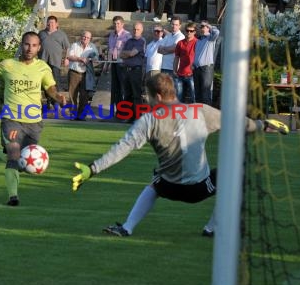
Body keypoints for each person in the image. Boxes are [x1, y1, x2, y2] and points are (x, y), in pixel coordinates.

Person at [70, 73, 288, 237]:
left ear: (157, 96)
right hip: (199, 189)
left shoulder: (149, 119)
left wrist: (93, 168)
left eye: (148, 96)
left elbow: (122, 148)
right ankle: (212, 228)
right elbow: (237, 122)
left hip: (169, 187)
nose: (147, 100)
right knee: (235, 176)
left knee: (155, 182)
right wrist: (263, 124)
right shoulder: (200, 111)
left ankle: (127, 227)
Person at [0, 32, 66, 206]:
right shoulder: (8, 64)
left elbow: (50, 88)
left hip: (34, 123)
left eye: (34, 45)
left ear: (39, 48)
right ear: (22, 44)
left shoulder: (43, 67)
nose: (30, 48)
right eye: (27, 44)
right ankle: (13, 196)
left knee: (23, 164)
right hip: (11, 119)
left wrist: (58, 97)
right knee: (14, 155)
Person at [66, 30, 98, 120]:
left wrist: (92, 58)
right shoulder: (75, 45)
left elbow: (96, 58)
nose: (85, 39)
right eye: (84, 36)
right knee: (72, 95)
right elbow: (70, 56)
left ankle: (81, 116)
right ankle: (73, 114)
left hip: (86, 74)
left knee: (84, 95)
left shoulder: (92, 47)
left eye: (88, 37)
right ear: (81, 37)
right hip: (74, 72)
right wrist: (80, 59)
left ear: (90, 39)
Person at [38, 16, 69, 106]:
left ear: (56, 24)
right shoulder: (41, 33)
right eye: (49, 22)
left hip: (55, 62)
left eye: (52, 22)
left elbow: (67, 47)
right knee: (45, 83)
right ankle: (49, 100)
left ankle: (56, 101)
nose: (50, 24)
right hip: (43, 62)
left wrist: (66, 58)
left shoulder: (61, 34)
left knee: (55, 82)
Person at [120, 21, 146, 121]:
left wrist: (127, 53)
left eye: (138, 29)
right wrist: (128, 53)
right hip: (127, 70)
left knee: (136, 95)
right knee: (127, 94)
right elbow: (121, 54)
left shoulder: (142, 41)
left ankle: (138, 117)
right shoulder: (129, 41)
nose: (135, 31)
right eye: (134, 29)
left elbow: (131, 53)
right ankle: (129, 117)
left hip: (136, 71)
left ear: (142, 30)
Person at [107, 16, 132, 115]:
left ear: (122, 24)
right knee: (115, 89)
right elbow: (110, 50)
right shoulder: (111, 35)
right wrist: (107, 65)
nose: (116, 25)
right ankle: (119, 112)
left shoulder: (127, 35)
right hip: (114, 63)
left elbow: (129, 51)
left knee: (124, 89)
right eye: (115, 23)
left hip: (123, 64)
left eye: (118, 23)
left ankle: (126, 112)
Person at [193, 21, 220, 105]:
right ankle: (198, 115)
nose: (202, 28)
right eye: (201, 26)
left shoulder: (211, 38)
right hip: (197, 68)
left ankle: (207, 115)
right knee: (197, 94)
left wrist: (209, 25)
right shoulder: (198, 40)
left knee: (205, 94)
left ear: (208, 28)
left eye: (203, 26)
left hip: (206, 69)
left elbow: (217, 32)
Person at [173, 21, 197, 103]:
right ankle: (178, 116)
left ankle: (195, 116)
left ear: (195, 32)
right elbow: (176, 57)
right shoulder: (180, 43)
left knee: (194, 98)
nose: (189, 32)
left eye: (191, 31)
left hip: (192, 74)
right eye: (187, 30)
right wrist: (174, 70)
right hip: (180, 74)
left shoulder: (198, 42)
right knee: (179, 98)